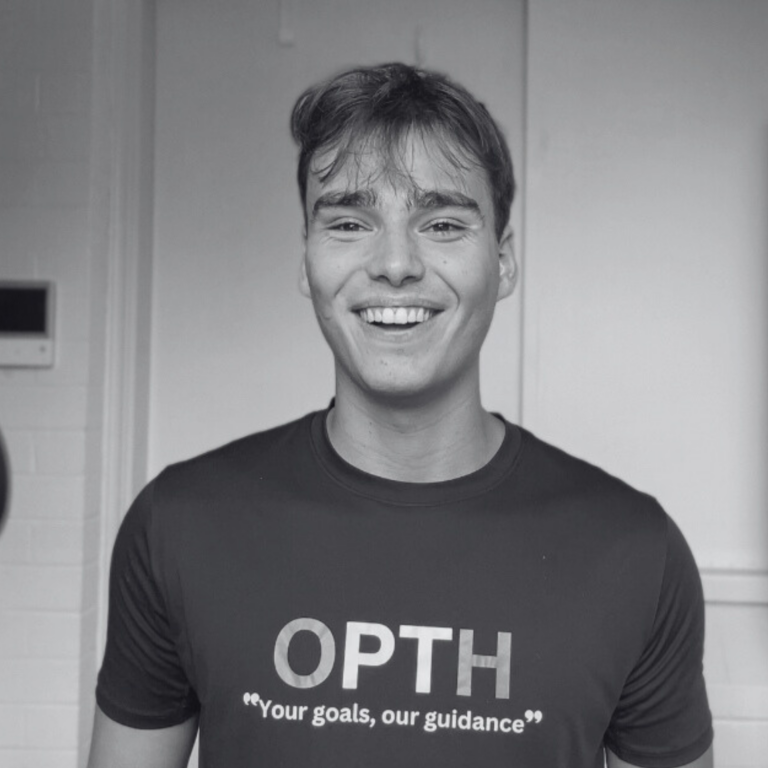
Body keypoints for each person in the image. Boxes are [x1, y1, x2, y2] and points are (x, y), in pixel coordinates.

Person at [87, 63, 713, 768]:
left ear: (503, 261)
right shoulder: (179, 525)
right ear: (306, 258)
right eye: (349, 223)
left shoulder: (635, 553)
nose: (394, 263)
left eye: (442, 223)